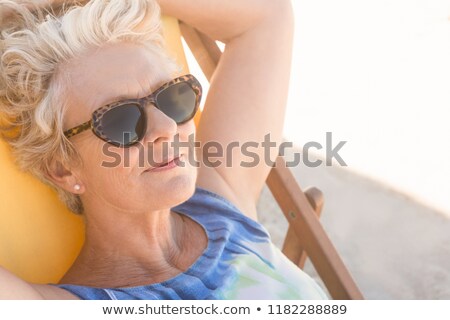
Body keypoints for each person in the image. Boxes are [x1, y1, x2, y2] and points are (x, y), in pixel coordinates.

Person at [0, 0, 327, 299]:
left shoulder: (221, 203)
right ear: (63, 168)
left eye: (173, 97)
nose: (167, 129)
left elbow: (267, 14)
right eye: (121, 119)